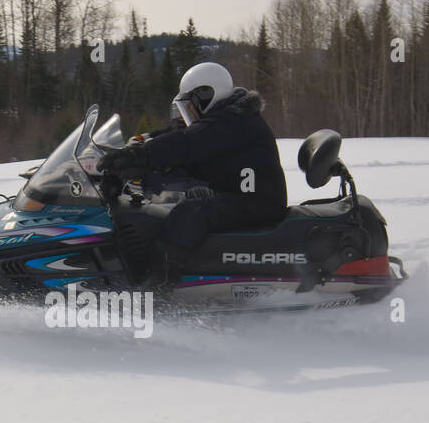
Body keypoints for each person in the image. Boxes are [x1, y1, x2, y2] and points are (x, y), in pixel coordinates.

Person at [98, 62, 287, 277]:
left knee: (191, 213)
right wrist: (129, 161)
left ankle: (159, 282)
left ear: (205, 95)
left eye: (190, 105)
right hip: (241, 195)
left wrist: (138, 156)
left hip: (258, 201)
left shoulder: (234, 120)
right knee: (181, 202)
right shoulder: (224, 118)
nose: (187, 112)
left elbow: (187, 143)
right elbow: (177, 138)